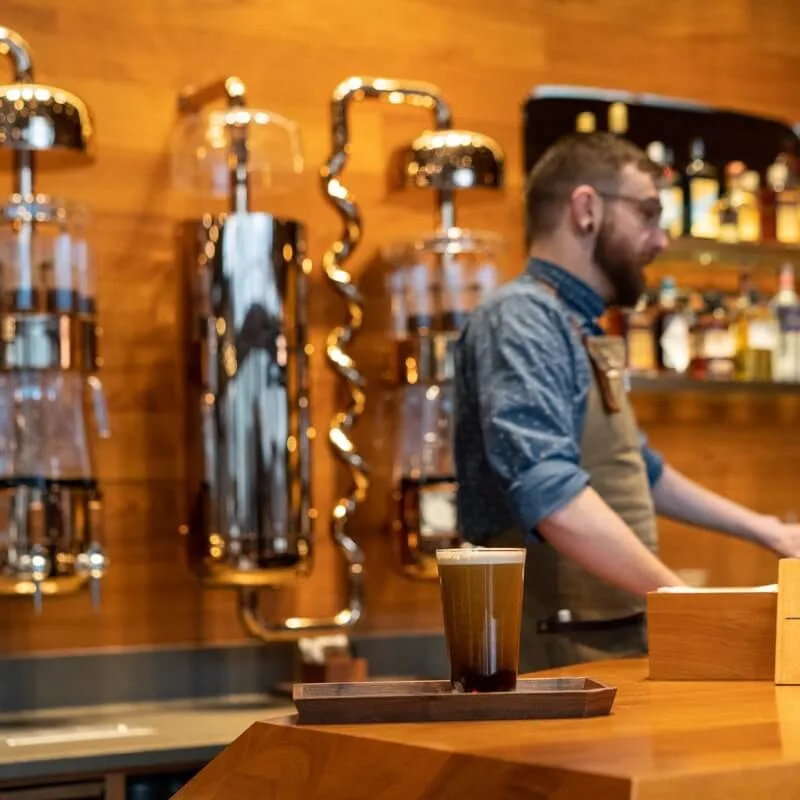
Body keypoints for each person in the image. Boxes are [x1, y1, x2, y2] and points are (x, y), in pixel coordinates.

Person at [453, 131, 800, 672]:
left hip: (605, 639)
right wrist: (688, 603)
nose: (660, 239)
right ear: (586, 209)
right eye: (648, 214)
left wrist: (767, 530)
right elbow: (550, 496)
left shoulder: (577, 325)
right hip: (554, 656)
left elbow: (637, 468)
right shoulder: (521, 318)